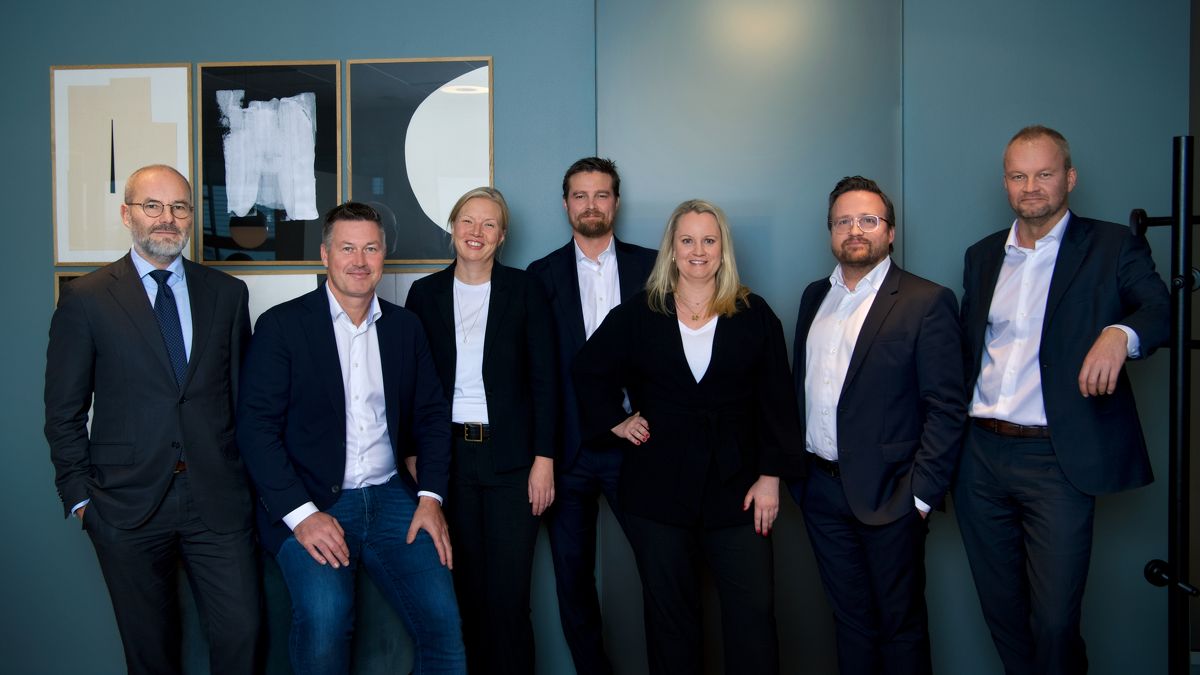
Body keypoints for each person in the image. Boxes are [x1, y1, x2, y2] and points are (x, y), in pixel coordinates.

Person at [957, 125, 1169, 674]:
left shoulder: (1112, 246)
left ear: (1069, 178)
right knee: (1002, 613)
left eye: (1044, 174)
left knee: (1053, 622)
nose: (1031, 187)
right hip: (979, 459)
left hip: (1057, 459)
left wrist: (1119, 333)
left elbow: (1160, 310)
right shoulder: (982, 257)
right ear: (1006, 183)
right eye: (1019, 175)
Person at [44, 164, 261, 674]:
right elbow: (63, 411)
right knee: (150, 652)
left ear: (191, 217)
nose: (168, 218)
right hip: (125, 503)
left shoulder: (227, 295)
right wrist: (80, 499)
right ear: (127, 214)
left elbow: (241, 402)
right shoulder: (87, 298)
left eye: (180, 207)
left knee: (243, 635)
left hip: (216, 498)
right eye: (153, 206)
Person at [573, 199, 802, 675]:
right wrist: (615, 420)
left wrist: (770, 477)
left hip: (739, 490)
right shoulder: (639, 313)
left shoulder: (755, 314)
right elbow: (586, 371)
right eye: (687, 240)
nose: (699, 250)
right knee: (670, 623)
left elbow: (777, 402)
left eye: (709, 240)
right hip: (658, 491)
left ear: (723, 250)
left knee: (752, 619)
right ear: (672, 250)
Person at [236, 202, 466, 675]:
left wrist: (430, 498)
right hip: (313, 501)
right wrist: (302, 517)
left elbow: (431, 416)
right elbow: (256, 431)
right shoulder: (282, 327)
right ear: (324, 255)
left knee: (444, 626)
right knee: (325, 621)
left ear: (384, 256)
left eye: (370, 248)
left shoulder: (405, 328)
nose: (359, 260)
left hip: (394, 500)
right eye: (347, 248)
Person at [791, 176, 967, 675]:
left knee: (900, 625)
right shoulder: (813, 299)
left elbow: (947, 408)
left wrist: (920, 497)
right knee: (849, 622)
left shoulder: (925, 301)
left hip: (893, 496)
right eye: (843, 221)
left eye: (868, 220)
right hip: (820, 492)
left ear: (890, 232)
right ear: (830, 231)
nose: (855, 230)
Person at [405, 187, 557, 674]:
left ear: (502, 236)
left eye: (488, 224)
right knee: (462, 589)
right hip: (448, 459)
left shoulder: (526, 288)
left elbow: (546, 379)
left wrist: (544, 458)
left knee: (509, 599)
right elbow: (412, 383)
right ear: (452, 228)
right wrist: (413, 453)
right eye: (467, 221)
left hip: (513, 461)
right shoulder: (424, 294)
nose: (476, 232)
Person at [526, 157, 656, 675]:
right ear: (565, 204)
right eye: (580, 195)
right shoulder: (539, 277)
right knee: (573, 580)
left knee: (664, 569)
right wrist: (544, 453)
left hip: (641, 446)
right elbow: (540, 374)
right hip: (570, 453)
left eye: (601, 195)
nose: (591, 205)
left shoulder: (653, 267)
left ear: (616, 203)